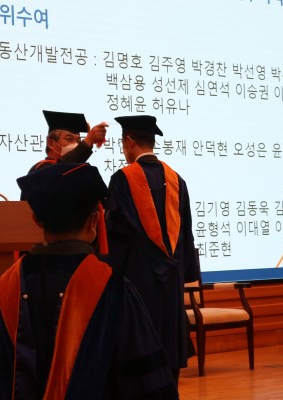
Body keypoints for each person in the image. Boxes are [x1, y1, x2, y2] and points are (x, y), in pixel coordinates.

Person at [0, 163, 177, 400]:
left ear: (36, 219)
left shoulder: (4, 291)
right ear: (94, 221)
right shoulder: (114, 290)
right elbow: (148, 384)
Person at [105, 115, 198, 382]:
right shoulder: (177, 179)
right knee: (169, 343)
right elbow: (186, 232)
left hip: (136, 278)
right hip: (172, 279)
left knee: (139, 344)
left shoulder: (122, 179)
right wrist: (184, 273)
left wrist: (110, 275)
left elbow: (115, 235)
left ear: (128, 141)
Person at [27, 110, 108, 173]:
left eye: (79, 141)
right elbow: (60, 170)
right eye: (69, 139)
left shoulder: (79, 170)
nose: (76, 144)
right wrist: (88, 141)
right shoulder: (40, 169)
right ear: (50, 144)